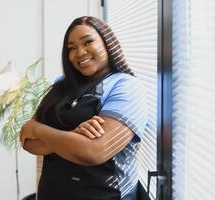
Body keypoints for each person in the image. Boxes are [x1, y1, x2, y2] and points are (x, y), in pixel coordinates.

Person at [20, 16, 148, 200]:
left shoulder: (126, 86)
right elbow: (28, 141)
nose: (79, 52)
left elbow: (94, 151)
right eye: (71, 48)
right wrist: (74, 136)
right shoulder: (61, 85)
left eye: (88, 42)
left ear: (106, 42)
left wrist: (38, 129)